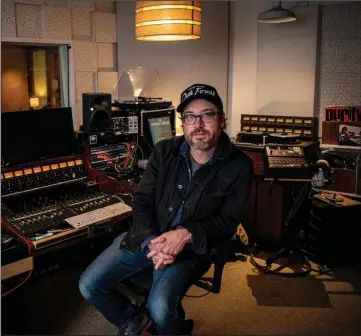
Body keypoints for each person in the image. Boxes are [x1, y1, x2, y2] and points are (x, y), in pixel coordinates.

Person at [79, 83, 253, 336]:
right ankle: (134, 321)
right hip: (147, 237)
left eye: (207, 114)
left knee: (161, 309)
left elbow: (228, 220)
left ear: (222, 120)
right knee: (89, 285)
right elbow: (142, 200)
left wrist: (185, 234)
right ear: (184, 122)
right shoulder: (163, 151)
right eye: (191, 117)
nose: (199, 124)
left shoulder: (240, 166)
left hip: (192, 249)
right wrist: (153, 242)